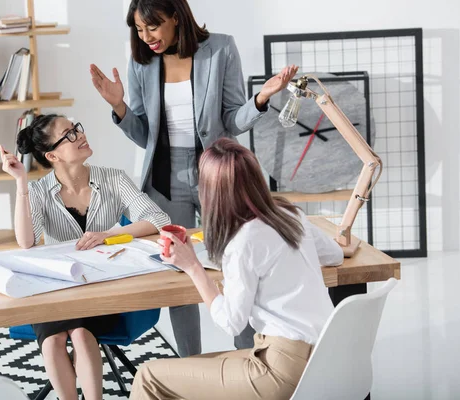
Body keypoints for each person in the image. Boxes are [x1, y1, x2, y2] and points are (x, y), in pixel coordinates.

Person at [90, 0, 298, 355]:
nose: (146, 37)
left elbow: (232, 120)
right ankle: (192, 361)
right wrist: (119, 107)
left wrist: (261, 98)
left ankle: (248, 356)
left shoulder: (219, 49)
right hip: (165, 176)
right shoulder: (142, 61)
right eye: (139, 30)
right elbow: (145, 136)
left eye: (152, 27)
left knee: (237, 258)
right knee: (177, 266)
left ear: (175, 16)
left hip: (215, 171)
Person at [129, 138, 344, 400]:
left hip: (281, 371)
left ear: (210, 192)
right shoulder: (290, 214)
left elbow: (232, 322)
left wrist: (192, 266)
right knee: (188, 373)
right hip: (324, 359)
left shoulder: (243, 243)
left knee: (149, 377)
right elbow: (334, 254)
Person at [0, 113, 171, 400]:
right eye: (68, 134)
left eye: (76, 128)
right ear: (52, 155)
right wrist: (21, 183)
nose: (79, 135)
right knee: (54, 341)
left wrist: (109, 235)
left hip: (101, 289)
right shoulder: (39, 191)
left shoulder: (113, 178)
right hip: (56, 290)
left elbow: (159, 219)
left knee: (80, 334)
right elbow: (25, 241)